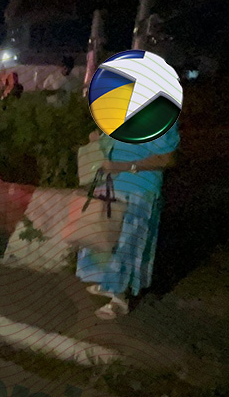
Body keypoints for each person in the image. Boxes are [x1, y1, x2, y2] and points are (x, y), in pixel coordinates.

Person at [76, 123, 180, 319]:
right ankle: (107, 282)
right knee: (105, 236)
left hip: (139, 187)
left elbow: (167, 158)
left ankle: (119, 297)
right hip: (111, 183)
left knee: (127, 243)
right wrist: (98, 141)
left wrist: (125, 166)